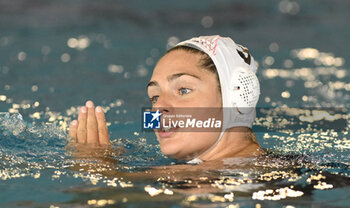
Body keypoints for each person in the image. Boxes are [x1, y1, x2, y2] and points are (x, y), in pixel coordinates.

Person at [68, 35, 265, 168]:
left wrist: (97, 168)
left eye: (183, 90)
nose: (159, 106)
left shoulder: (206, 179)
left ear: (239, 97)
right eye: (154, 96)